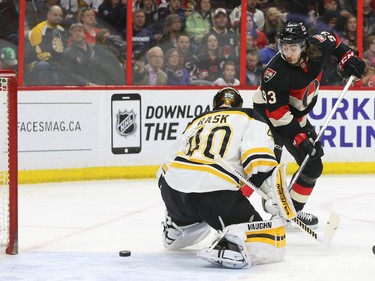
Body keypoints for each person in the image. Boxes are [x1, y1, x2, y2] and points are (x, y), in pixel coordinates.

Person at [252, 21, 365, 228]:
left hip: (296, 115)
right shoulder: (275, 72)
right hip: (267, 116)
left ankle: (291, 211)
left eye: (293, 48)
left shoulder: (318, 44)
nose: (287, 53)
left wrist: (348, 59)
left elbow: (335, 41)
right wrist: (300, 136)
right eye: (284, 47)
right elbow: (277, 113)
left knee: (312, 164)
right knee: (268, 165)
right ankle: (245, 211)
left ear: (305, 45)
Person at [158, 87, 287, 269]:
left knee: (193, 210)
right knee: (272, 240)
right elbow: (258, 160)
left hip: (172, 192)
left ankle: (178, 225)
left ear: (214, 105)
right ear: (240, 106)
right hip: (213, 194)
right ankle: (230, 245)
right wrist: (272, 196)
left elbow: (166, 165)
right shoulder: (250, 117)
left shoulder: (197, 120)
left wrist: (172, 202)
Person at [28, 5, 67, 85]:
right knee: (43, 65)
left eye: (60, 16)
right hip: (38, 62)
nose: (58, 17)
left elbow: (65, 49)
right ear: (48, 15)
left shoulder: (62, 30)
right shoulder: (38, 29)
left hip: (57, 62)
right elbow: (39, 54)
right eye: (55, 15)